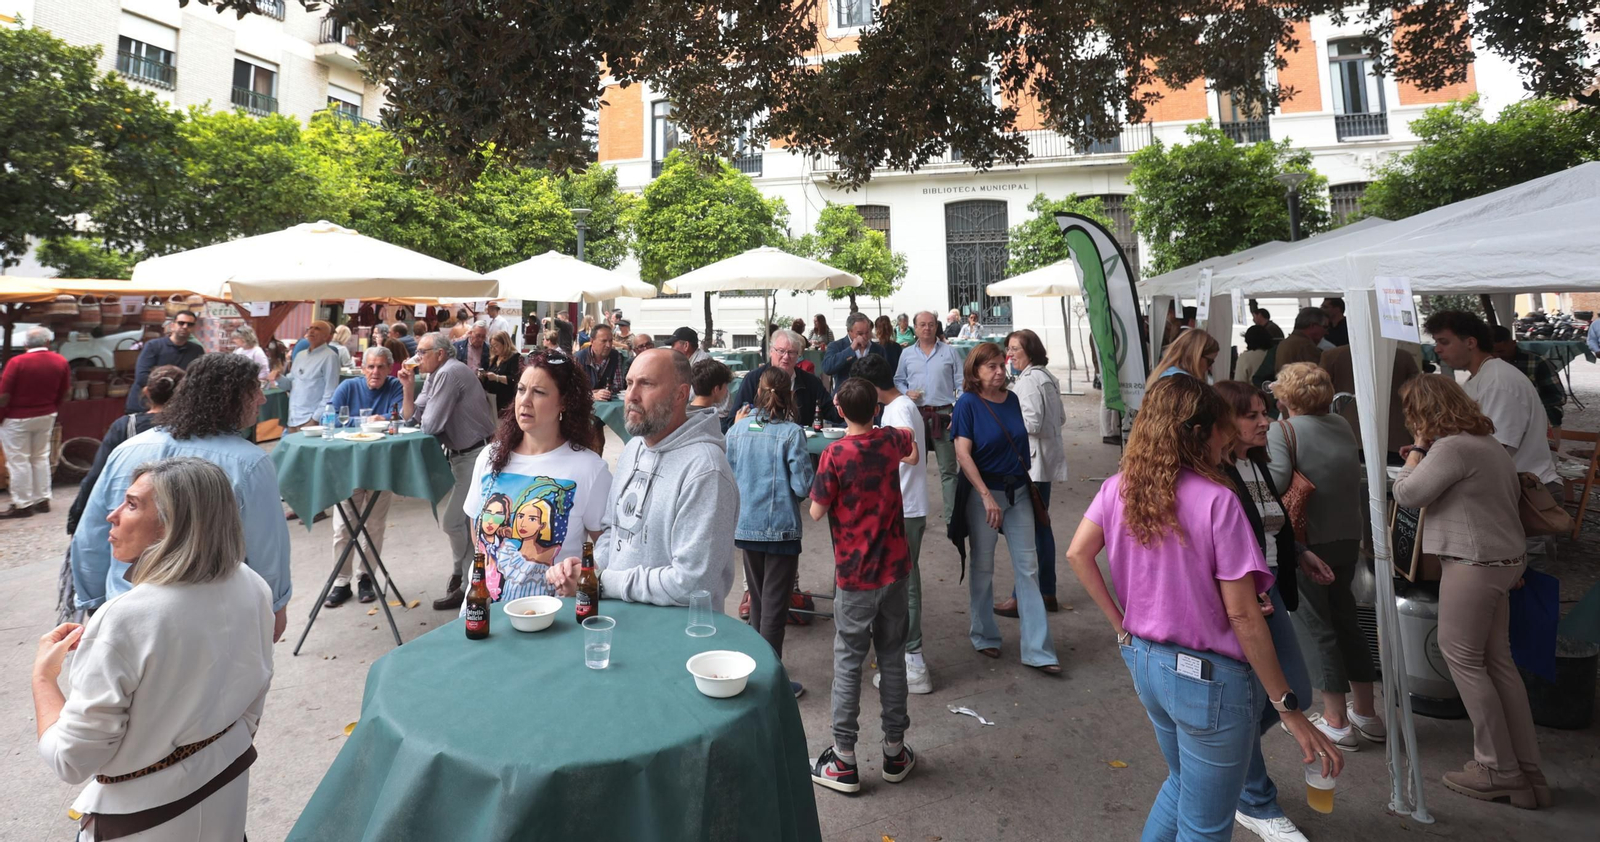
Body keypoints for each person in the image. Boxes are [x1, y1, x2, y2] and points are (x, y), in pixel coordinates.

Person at [1065, 375, 1342, 841]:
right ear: (1201, 432)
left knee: (1184, 785)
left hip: (1147, 661)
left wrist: (1122, 625)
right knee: (1205, 826)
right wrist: (1289, 709)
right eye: (1223, 426)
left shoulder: (1121, 486)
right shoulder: (1218, 500)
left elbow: (1078, 553)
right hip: (1208, 679)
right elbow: (1243, 614)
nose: (1230, 435)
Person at [35, 457, 274, 841]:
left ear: (172, 524)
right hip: (224, 800)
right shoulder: (250, 583)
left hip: (139, 823)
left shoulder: (125, 619)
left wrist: (43, 678)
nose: (112, 516)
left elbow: (71, 759)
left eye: (131, 505)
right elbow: (253, 703)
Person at [1392, 374, 1546, 809]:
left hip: (1472, 565)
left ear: (1422, 413)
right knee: (1498, 663)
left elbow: (1407, 493)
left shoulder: (1452, 446)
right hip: (1503, 562)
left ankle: (1498, 769)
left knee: (1462, 659)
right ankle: (1527, 771)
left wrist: (1420, 449)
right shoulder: (1484, 442)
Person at [71, 353, 291, 641]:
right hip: (209, 624)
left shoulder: (129, 449)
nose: (262, 399)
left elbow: (92, 535)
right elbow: (267, 548)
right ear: (231, 398)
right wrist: (274, 607)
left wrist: (96, 602)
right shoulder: (249, 463)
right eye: (255, 390)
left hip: (123, 613)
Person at [1214, 381, 1326, 842]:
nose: (1266, 423)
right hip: (1244, 600)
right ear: (1225, 422)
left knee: (1295, 691)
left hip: (1270, 592)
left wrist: (1299, 551)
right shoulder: (1215, 474)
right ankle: (1254, 798)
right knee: (1257, 699)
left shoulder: (1254, 463)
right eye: (1253, 416)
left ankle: (1225, 757)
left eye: (1266, 412)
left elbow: (1270, 521)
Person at [546, 349, 739, 607]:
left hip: (674, 636)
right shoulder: (634, 447)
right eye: (629, 383)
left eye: (646, 384)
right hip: (620, 621)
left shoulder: (706, 470)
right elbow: (612, 532)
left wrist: (601, 582)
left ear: (681, 394)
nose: (631, 396)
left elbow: (693, 583)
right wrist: (589, 568)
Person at [808, 377, 919, 793]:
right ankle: (894, 749)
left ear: (839, 410)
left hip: (855, 577)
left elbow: (817, 511)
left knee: (849, 662)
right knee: (892, 656)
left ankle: (844, 758)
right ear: (876, 408)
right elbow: (912, 452)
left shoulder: (835, 454)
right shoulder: (890, 439)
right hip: (895, 569)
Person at [1267, 363, 1383, 751]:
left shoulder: (1282, 430)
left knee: (1316, 627)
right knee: (1346, 620)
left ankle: (1335, 720)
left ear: (1286, 396)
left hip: (1309, 541)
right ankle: (1366, 712)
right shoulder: (1342, 425)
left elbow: (1277, 481)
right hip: (1349, 536)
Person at [463, 352, 610, 610]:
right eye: (521, 390)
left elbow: (609, 545)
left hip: (549, 619)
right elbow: (477, 529)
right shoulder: (490, 456)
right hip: (481, 613)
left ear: (564, 402)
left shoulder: (589, 468)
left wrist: (583, 577)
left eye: (539, 392)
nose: (525, 401)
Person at [949, 342, 1060, 672]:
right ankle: (983, 633)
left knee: (1028, 568)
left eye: (1002, 364)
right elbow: (963, 454)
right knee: (982, 567)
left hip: (1018, 492)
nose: (1000, 371)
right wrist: (984, 495)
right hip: (984, 495)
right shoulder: (967, 404)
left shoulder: (1011, 399)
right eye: (992, 367)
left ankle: (1038, 650)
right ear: (975, 371)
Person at [725, 367, 814, 697]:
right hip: (780, 530)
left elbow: (729, 477)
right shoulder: (792, 433)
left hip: (747, 526)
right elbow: (802, 484)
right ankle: (769, 684)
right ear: (789, 393)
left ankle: (756, 671)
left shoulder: (738, 429)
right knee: (775, 610)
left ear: (757, 392)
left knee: (760, 604)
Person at [401, 331, 499, 610]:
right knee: (463, 522)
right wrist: (408, 387)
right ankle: (464, 578)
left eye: (422, 352)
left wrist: (423, 411)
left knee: (455, 522)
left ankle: (467, 581)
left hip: (475, 456)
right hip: (461, 456)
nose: (416, 358)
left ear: (440, 354)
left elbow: (429, 426)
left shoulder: (448, 374)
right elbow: (411, 415)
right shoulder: (434, 375)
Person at [854, 354, 934, 694]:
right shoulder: (898, 407)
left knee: (906, 585)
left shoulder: (899, 411)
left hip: (904, 507)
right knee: (903, 583)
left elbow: (906, 457)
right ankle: (907, 657)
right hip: (903, 505)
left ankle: (914, 661)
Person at [1424, 310, 1560, 505]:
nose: (1437, 349)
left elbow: (1495, 450)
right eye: (1436, 342)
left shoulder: (1498, 381)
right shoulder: (1481, 377)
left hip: (1526, 493)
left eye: (1444, 342)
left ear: (1470, 343)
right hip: (1508, 488)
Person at [321, 347, 409, 607]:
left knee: (374, 526)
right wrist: (360, 423)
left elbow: (402, 418)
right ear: (363, 368)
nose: (376, 372)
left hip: (381, 466)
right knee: (342, 527)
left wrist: (388, 417)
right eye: (371, 366)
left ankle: (366, 578)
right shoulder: (348, 388)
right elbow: (330, 418)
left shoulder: (394, 386)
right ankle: (341, 581)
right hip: (348, 467)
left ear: (389, 368)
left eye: (381, 366)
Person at [994, 329, 1066, 618]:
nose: (1010, 355)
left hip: (1031, 465)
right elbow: (1059, 418)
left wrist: (1003, 423)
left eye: (1015, 349)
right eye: (1008, 348)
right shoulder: (1046, 377)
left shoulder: (1028, 382)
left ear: (1031, 351)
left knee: (1029, 530)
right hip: (1042, 463)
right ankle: (1046, 590)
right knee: (1041, 525)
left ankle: (1023, 596)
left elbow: (1032, 424)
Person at [67, 366, 185, 535]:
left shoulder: (126, 426)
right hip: (174, 514)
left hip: (129, 509)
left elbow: (97, 475)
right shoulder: (192, 429)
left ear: (146, 392)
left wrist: (76, 516)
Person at [895, 311, 963, 520]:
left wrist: (957, 413)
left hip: (943, 414)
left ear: (936, 326)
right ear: (914, 328)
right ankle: (912, 516)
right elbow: (898, 379)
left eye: (931, 324)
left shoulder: (950, 352)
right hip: (916, 415)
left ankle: (952, 519)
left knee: (949, 470)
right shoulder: (906, 354)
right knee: (912, 468)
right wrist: (906, 392)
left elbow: (961, 384)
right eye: (922, 324)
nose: (927, 328)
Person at [0, 326, 70, 518]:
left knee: (18, 461)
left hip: (16, 417)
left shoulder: (17, 362)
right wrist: (53, 407)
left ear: (25, 345)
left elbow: (4, 395)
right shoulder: (60, 361)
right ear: (47, 342)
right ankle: (42, 499)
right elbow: (65, 391)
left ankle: (23, 504)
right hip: (46, 414)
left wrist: (1, 416)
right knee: (40, 456)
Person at [1319, 342, 1420, 462]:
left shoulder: (1332, 355)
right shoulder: (1403, 357)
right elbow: (1417, 396)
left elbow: (1320, 395)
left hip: (1346, 434)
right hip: (1394, 435)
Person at [733, 329, 840, 427]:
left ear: (798, 355)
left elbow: (831, 413)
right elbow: (733, 420)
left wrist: (843, 403)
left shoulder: (810, 382)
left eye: (791, 352)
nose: (786, 357)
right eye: (781, 351)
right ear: (771, 351)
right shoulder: (754, 379)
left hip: (798, 442)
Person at [126, 312, 203, 412]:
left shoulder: (196, 350)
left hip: (175, 408)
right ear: (172, 325)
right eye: (181, 323)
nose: (185, 326)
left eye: (190, 324)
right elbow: (142, 377)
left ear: (194, 328)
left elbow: (198, 377)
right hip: (144, 406)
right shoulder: (153, 346)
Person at [1491, 324, 1564, 428]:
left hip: (1539, 415)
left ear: (1513, 344)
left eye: (1501, 351)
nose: (1496, 356)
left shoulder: (1537, 362)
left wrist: (1526, 405)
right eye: (1491, 352)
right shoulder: (1488, 363)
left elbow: (1558, 397)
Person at [280, 320, 341, 433]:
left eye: (317, 329)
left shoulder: (330, 357)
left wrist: (316, 418)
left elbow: (331, 391)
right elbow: (290, 384)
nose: (312, 331)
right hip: (293, 417)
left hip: (311, 419)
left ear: (326, 336)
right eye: (310, 328)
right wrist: (278, 377)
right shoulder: (300, 355)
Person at [823, 313, 886, 395]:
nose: (864, 336)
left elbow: (885, 376)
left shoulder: (878, 349)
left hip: (871, 398)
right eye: (860, 333)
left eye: (867, 332)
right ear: (849, 331)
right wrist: (850, 350)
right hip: (845, 398)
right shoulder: (836, 346)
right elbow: (827, 368)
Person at [1146, 328, 1219, 391]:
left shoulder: (1164, 373)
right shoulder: (1185, 385)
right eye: (1210, 362)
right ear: (1196, 357)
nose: (1210, 368)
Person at [1270, 307, 1329, 376]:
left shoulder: (1286, 342)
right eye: (1325, 327)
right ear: (1312, 326)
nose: (1326, 332)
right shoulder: (1305, 345)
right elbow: (1320, 375)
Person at [576, 323, 627, 402]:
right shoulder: (579, 358)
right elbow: (574, 390)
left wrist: (603, 392)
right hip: (583, 406)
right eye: (604, 341)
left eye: (610, 341)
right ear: (592, 341)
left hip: (608, 405)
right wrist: (592, 394)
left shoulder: (615, 356)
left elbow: (618, 386)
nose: (608, 345)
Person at [690, 358, 735, 431]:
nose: (727, 391)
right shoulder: (708, 420)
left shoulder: (685, 413)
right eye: (725, 386)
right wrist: (736, 425)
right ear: (716, 389)